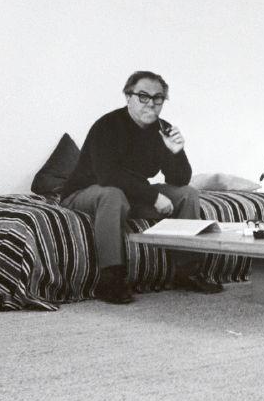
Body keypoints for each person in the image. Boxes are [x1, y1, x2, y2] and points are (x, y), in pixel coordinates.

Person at [61, 71, 223, 303]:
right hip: (85, 192)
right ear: (128, 97)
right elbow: (107, 176)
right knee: (112, 194)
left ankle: (187, 272)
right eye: (143, 96)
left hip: (128, 196)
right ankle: (110, 280)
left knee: (188, 195)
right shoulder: (107, 126)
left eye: (158, 98)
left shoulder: (162, 129)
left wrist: (175, 152)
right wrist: (153, 195)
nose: (151, 104)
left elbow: (180, 180)